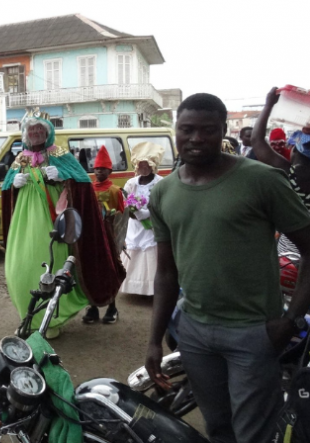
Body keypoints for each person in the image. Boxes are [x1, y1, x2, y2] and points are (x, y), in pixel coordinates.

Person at [145, 93, 310, 443]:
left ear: (223, 131)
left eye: (207, 130)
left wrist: (290, 321)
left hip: (254, 333)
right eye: (187, 129)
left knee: (254, 434)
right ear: (175, 130)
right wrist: (154, 340)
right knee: (218, 427)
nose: (196, 138)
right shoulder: (164, 192)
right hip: (194, 333)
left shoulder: (261, 180)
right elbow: (165, 273)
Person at [3, 117, 124, 339]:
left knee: (50, 267)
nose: (36, 133)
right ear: (25, 133)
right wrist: (13, 185)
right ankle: (27, 317)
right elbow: (6, 187)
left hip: (52, 222)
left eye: (40, 129)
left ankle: (50, 321)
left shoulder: (60, 154)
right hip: (23, 223)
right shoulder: (20, 159)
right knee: (19, 270)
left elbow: (83, 183)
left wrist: (63, 177)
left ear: (48, 132)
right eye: (32, 130)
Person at [251, 88, 310, 256]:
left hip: (289, 255)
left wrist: (269, 104)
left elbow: (257, 140)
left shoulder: (290, 175)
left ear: (296, 154)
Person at [83, 146, 125, 324]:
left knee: (110, 271)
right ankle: (92, 308)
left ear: (110, 170)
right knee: (91, 271)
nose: (99, 171)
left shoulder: (116, 191)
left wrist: (118, 239)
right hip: (92, 238)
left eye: (103, 169)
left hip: (109, 238)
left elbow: (122, 217)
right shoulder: (88, 190)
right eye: (97, 168)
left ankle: (112, 308)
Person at [119, 142, 164, 297]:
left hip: (151, 226)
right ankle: (133, 288)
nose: (143, 167)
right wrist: (134, 212)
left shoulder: (160, 183)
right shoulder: (132, 183)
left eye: (146, 164)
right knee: (134, 251)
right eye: (141, 164)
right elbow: (125, 201)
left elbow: (162, 204)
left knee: (150, 253)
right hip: (135, 225)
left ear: (153, 165)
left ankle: (151, 289)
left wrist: (147, 213)